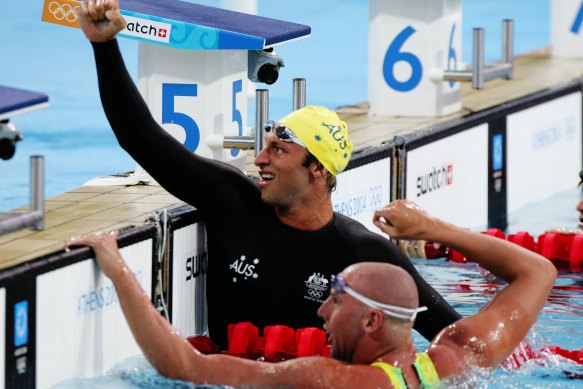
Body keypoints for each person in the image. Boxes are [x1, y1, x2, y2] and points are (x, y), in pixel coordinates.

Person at [77, 0, 459, 347]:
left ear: (317, 169)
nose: (259, 159)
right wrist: (104, 46)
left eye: (278, 150)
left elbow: (454, 339)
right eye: (265, 145)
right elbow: (140, 139)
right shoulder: (231, 202)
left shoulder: (364, 253)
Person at [67, 199, 557, 388]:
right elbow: (537, 271)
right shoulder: (465, 355)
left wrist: (118, 270)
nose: (321, 310)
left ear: (371, 323)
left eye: (336, 300)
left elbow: (181, 367)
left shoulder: (327, 379)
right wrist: (433, 227)